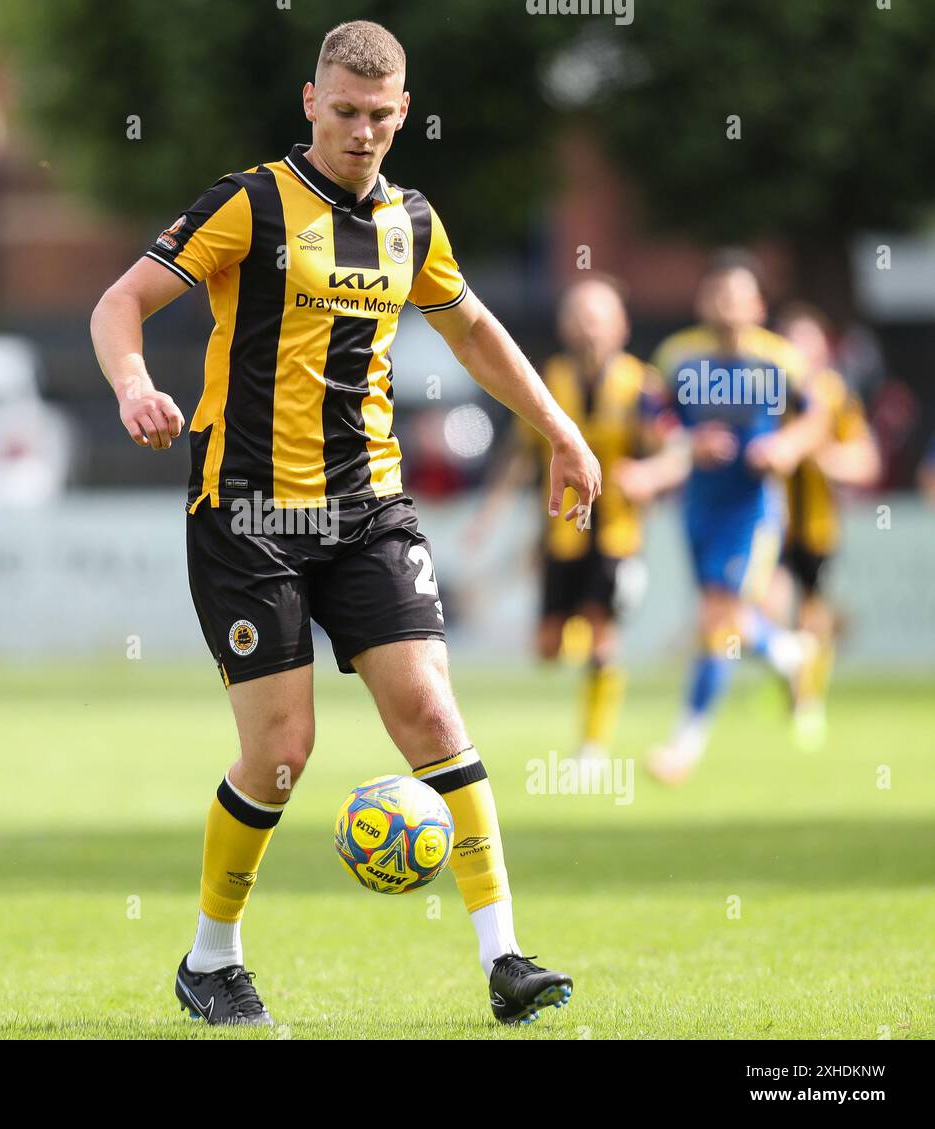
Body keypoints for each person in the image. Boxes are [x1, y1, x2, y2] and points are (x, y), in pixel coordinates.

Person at [90, 20, 601, 1026]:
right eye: (346, 112)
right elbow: (122, 300)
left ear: (403, 112)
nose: (362, 131)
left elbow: (476, 333)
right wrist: (133, 385)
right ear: (311, 103)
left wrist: (561, 433)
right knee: (282, 751)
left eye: (380, 115)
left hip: (368, 507)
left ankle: (504, 956)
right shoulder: (251, 204)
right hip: (249, 513)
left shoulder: (414, 220)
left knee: (435, 717)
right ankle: (211, 958)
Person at [616, 252, 828, 786]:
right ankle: (786, 652)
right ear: (702, 299)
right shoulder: (677, 357)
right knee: (724, 620)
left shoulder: (781, 361)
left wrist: (784, 446)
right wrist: (688, 444)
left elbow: (818, 420)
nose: (726, 304)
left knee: (716, 621)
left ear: (758, 303)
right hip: (697, 509)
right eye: (716, 292)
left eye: (737, 294)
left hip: (752, 511)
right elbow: (656, 423)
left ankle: (683, 748)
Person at [465, 276, 660, 772]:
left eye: (599, 317)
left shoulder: (643, 385)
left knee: (601, 630)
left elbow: (669, 448)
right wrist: (488, 516)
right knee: (548, 649)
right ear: (565, 325)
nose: (590, 328)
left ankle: (593, 748)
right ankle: (586, 651)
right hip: (562, 533)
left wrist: (652, 476)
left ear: (622, 325)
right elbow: (521, 456)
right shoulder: (549, 379)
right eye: (581, 317)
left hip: (618, 532)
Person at [769, 303, 880, 747]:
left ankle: (807, 701)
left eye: (807, 340)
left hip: (817, 524)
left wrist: (829, 461)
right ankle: (793, 682)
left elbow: (866, 460)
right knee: (770, 604)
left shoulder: (835, 394)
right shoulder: (763, 390)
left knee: (812, 613)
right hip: (770, 521)